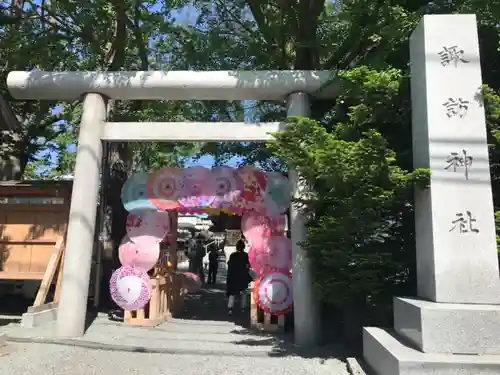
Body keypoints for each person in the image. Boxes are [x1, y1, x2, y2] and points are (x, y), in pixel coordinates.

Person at [226, 239, 252, 315]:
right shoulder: (246, 255)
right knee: (243, 293)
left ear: (236, 247)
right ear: (244, 247)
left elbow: (229, 265)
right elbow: (248, 266)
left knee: (232, 293)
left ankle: (230, 308)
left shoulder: (233, 255)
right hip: (242, 276)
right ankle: (243, 308)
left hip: (233, 276)